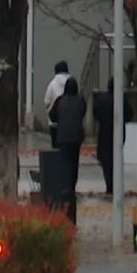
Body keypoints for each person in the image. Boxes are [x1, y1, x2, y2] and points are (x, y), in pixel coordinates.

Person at [51, 76, 88, 222]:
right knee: (74, 163)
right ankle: (72, 185)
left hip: (62, 138)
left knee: (64, 163)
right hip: (76, 139)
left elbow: (52, 116)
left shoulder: (60, 101)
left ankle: (66, 187)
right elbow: (83, 112)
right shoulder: (81, 100)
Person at [45, 62, 72, 147]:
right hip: (70, 123)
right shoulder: (72, 82)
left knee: (56, 147)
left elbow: (46, 102)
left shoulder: (52, 84)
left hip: (55, 123)